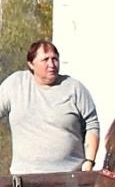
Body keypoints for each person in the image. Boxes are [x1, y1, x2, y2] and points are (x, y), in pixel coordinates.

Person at [0, 39, 100, 173]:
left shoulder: (74, 88)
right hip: (24, 180)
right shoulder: (15, 84)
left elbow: (92, 124)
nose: (51, 64)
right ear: (31, 64)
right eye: (45, 60)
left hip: (70, 178)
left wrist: (89, 162)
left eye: (55, 59)